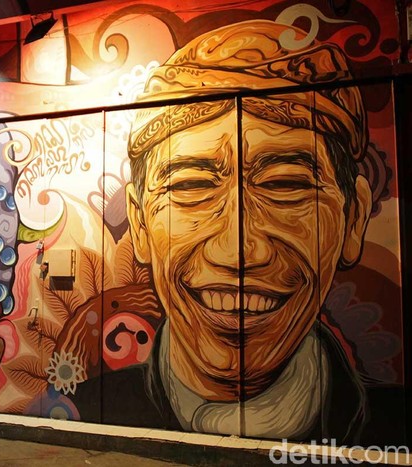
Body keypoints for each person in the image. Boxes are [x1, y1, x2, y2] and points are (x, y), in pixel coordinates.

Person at [71, 19, 380, 443]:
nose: (238, 251)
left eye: (285, 184)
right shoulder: (81, 411)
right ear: (139, 223)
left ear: (353, 217)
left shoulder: (392, 422)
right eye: (190, 186)